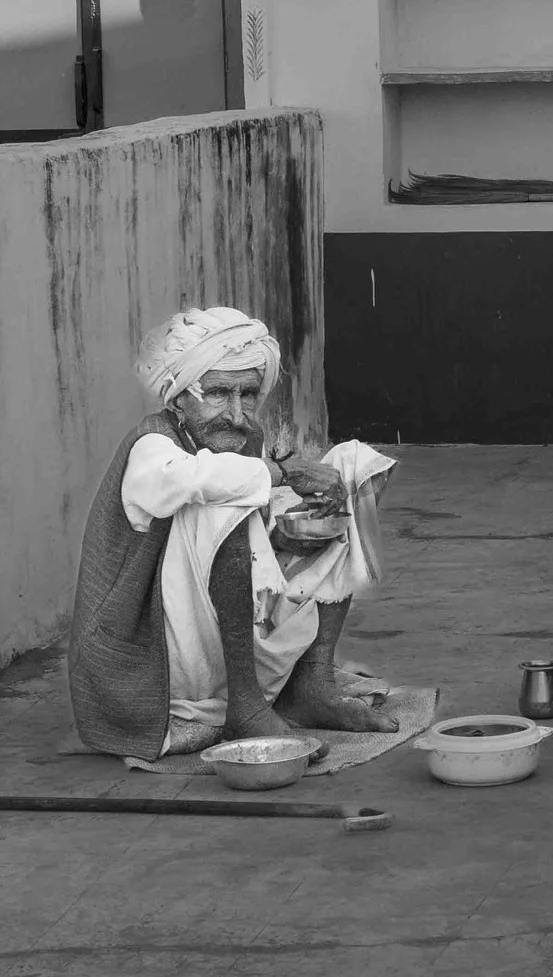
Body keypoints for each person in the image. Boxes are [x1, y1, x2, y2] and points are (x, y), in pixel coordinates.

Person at [69, 307, 401, 759]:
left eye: (248, 394)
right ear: (178, 398)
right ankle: (245, 705)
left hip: (229, 638)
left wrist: (285, 536)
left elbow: (249, 543)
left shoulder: (244, 439)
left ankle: (311, 682)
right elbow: (194, 484)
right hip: (154, 658)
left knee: (350, 471)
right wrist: (282, 473)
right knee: (219, 498)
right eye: (219, 393)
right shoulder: (153, 444)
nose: (237, 413)